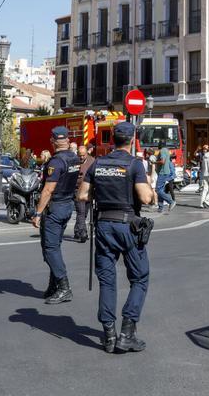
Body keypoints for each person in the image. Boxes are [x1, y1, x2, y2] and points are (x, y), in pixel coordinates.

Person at [79, 121, 155, 354]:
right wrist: (151, 188)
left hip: (103, 225)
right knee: (140, 277)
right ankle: (127, 333)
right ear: (132, 140)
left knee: (107, 280)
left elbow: (83, 195)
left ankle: (109, 335)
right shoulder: (134, 164)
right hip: (127, 226)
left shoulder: (98, 163)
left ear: (112, 139)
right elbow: (145, 198)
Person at [32, 128, 81, 304]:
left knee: (50, 249)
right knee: (55, 248)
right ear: (67, 140)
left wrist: (38, 213)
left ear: (52, 141)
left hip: (55, 207)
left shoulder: (57, 161)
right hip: (67, 205)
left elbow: (48, 189)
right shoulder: (74, 158)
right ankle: (54, 286)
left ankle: (64, 287)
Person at [72, 143, 93, 242]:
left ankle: (77, 230)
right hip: (77, 190)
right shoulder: (73, 161)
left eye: (83, 155)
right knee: (81, 212)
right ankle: (83, 233)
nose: (81, 157)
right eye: (80, 155)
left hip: (89, 190)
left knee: (84, 213)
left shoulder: (92, 161)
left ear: (87, 154)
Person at [154, 140, 175, 215]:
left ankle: (171, 201)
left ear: (160, 145)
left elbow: (162, 161)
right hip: (165, 172)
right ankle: (160, 207)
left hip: (162, 172)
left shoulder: (162, 150)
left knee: (157, 189)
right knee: (161, 190)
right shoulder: (167, 150)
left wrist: (154, 162)